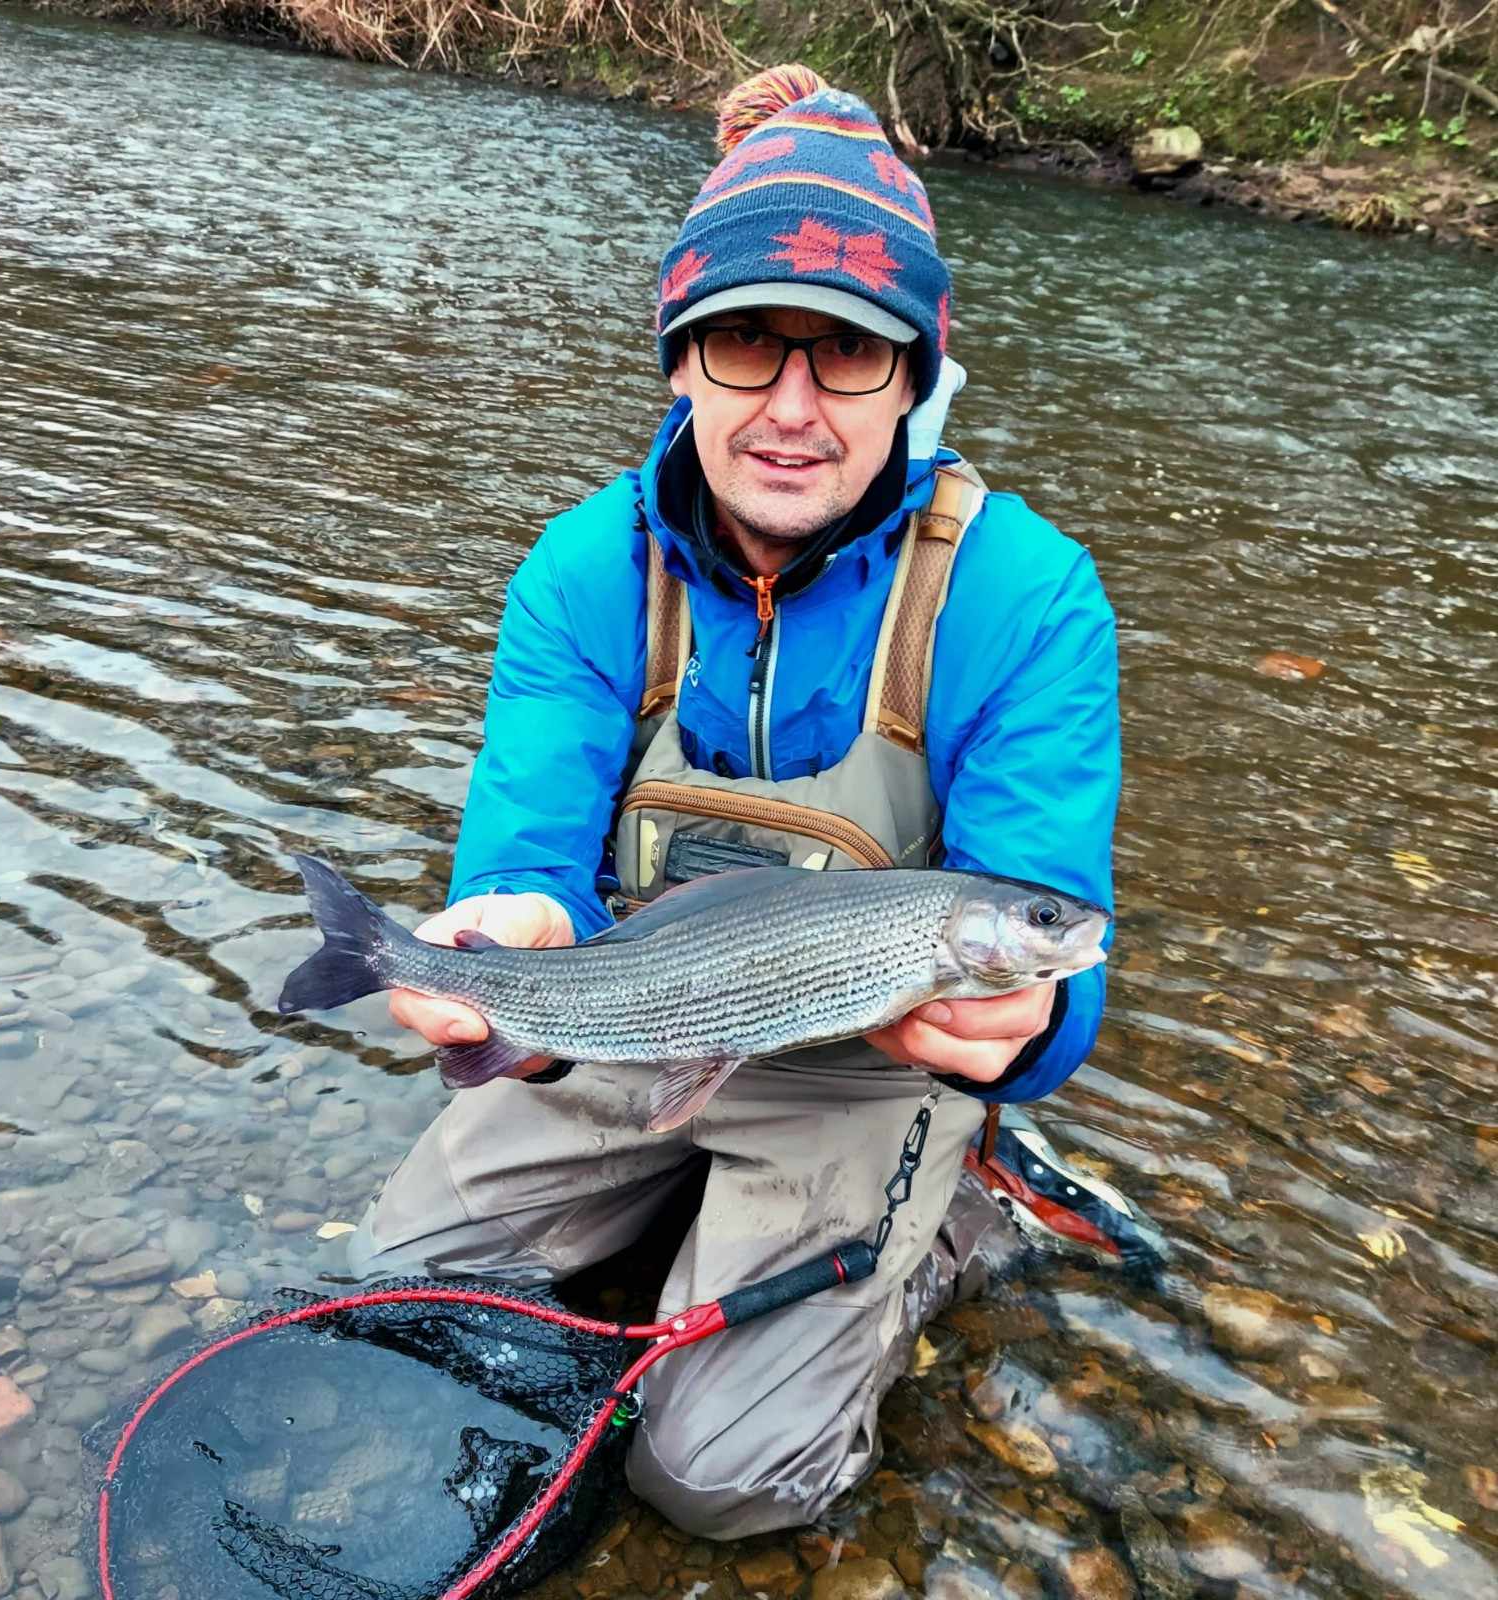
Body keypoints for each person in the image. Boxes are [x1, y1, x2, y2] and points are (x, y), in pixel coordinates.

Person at [350, 64, 1120, 1537]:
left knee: (716, 1482)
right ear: (678, 358)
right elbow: (531, 853)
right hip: (641, 1005)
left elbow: (1052, 921)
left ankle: (949, 1219)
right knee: (394, 1300)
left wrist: (1020, 1028)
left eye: (845, 356)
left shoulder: (1024, 596)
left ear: (919, 373)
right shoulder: (584, 570)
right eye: (743, 349)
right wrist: (509, 926)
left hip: (862, 1061)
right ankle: (685, 1216)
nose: (791, 410)